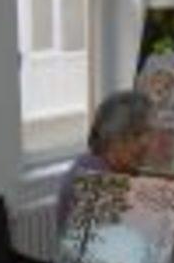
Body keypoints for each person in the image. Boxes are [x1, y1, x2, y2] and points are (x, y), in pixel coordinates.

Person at [57, 91, 154, 232]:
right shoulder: (94, 180)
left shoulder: (100, 163)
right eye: (136, 134)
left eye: (148, 132)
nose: (146, 142)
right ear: (110, 138)